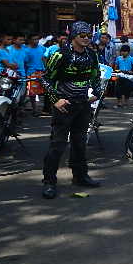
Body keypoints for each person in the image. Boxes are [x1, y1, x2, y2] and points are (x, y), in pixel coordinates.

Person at [40, 21, 102, 199]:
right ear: (73, 36)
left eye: (89, 36)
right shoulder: (60, 54)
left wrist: (96, 93)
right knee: (58, 144)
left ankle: (80, 176)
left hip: (83, 105)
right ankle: (49, 182)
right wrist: (56, 100)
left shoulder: (92, 54)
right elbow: (45, 79)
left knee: (80, 142)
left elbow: (96, 76)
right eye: (82, 35)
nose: (86, 39)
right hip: (64, 106)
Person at [25, 34, 47, 116]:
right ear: (30, 40)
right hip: (31, 73)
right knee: (32, 93)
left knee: (45, 91)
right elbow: (24, 62)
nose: (36, 41)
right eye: (34, 39)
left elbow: (44, 57)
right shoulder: (26, 50)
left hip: (42, 72)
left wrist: (46, 68)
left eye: (37, 39)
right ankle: (34, 110)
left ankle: (45, 109)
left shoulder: (42, 48)